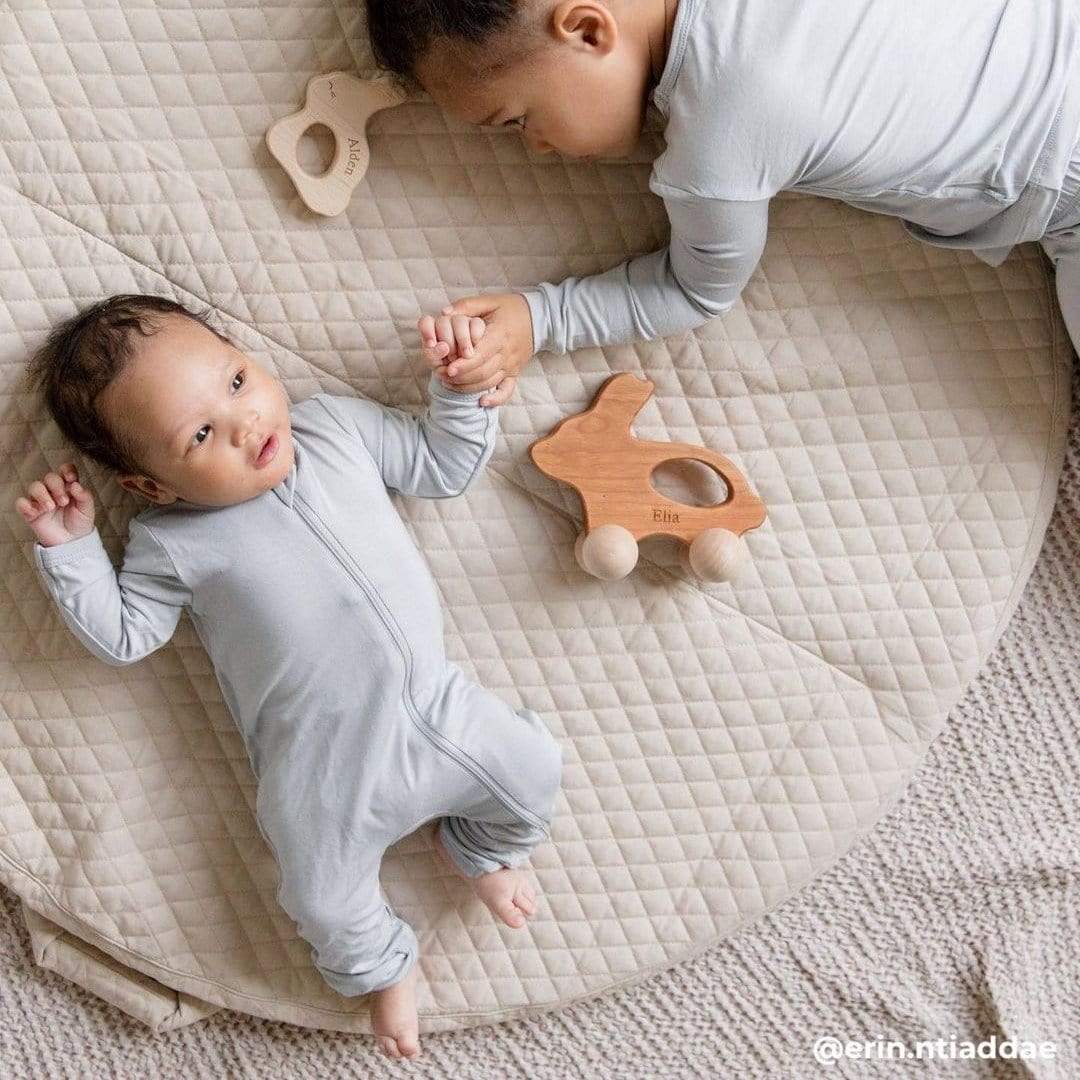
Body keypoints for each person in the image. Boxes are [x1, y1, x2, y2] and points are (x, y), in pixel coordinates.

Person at [14, 294, 562, 1060]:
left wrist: (460, 392)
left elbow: (438, 467)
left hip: (437, 713)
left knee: (535, 769)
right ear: (151, 486)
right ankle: (382, 968)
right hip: (319, 774)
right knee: (319, 896)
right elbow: (127, 637)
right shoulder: (170, 542)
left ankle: (478, 848)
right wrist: (70, 550)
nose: (244, 424)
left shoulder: (333, 428)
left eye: (237, 381)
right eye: (201, 434)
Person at [368, 0, 1080, 405]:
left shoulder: (719, 138)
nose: (539, 148)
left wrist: (541, 318)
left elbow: (694, 289)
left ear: (588, 30)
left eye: (517, 121)